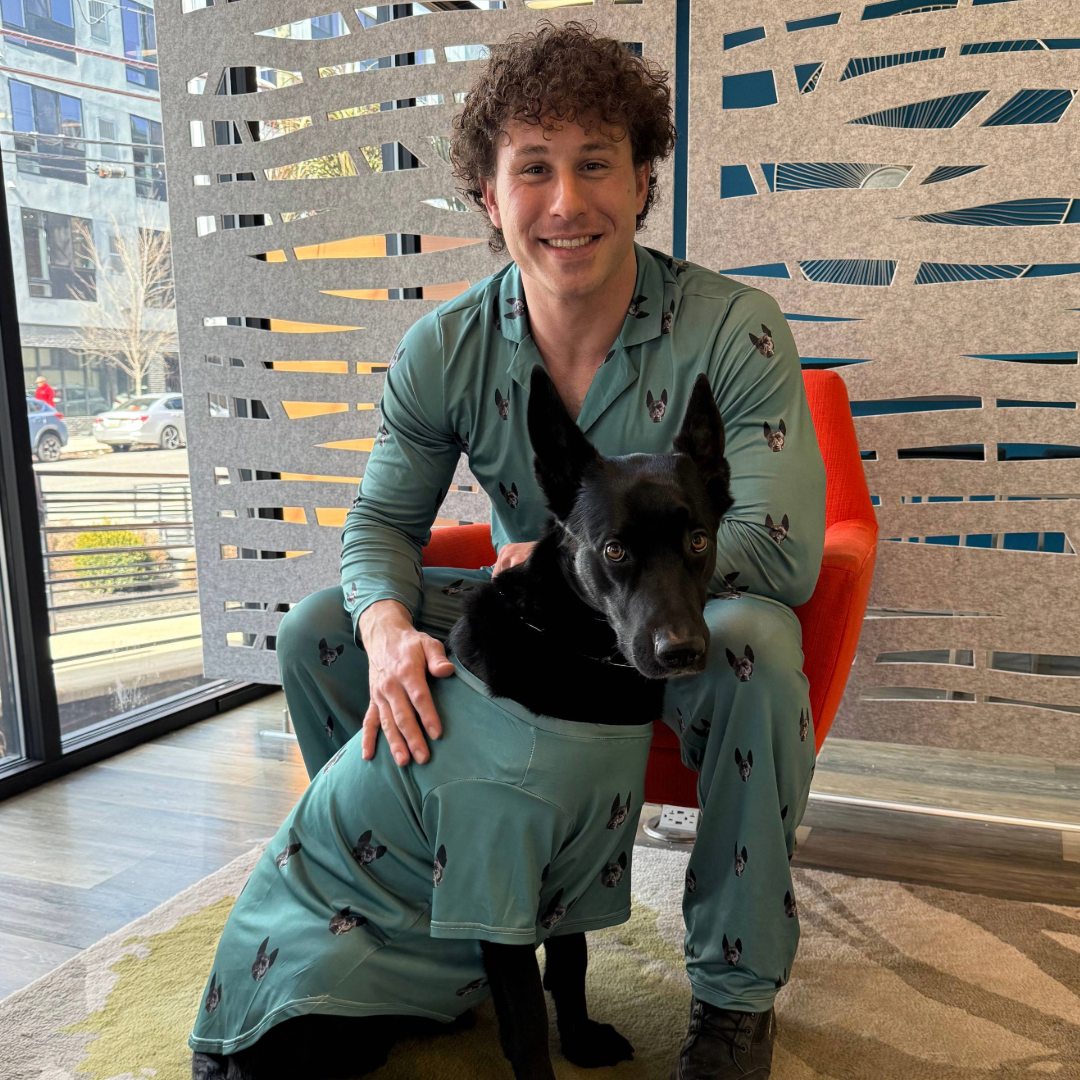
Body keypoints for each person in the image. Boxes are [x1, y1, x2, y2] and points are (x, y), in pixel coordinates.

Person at [276, 20, 825, 1079]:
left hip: (682, 614)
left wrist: (596, 568)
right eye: (533, 168)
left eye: (596, 164)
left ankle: (732, 998)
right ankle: (411, 917)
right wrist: (386, 627)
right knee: (320, 635)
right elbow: (380, 524)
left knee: (756, 647)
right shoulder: (443, 348)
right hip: (533, 630)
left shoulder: (735, 328)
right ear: (489, 197)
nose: (566, 202)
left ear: (643, 181)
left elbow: (783, 545)